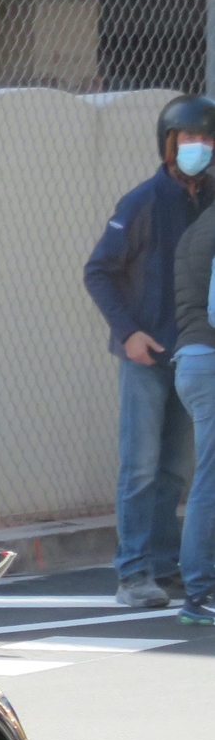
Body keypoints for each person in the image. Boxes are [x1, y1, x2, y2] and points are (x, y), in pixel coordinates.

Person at [83, 95, 215, 610]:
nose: (196, 148)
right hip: (145, 355)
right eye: (187, 139)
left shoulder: (208, 201)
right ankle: (133, 572)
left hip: (191, 355)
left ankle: (165, 564)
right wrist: (130, 333)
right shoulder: (141, 202)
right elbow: (99, 271)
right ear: (168, 144)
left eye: (205, 139)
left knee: (177, 470)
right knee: (139, 466)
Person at [155, 202, 215, 624]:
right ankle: (200, 594)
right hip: (210, 360)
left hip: (192, 360)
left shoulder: (199, 226)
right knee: (209, 484)